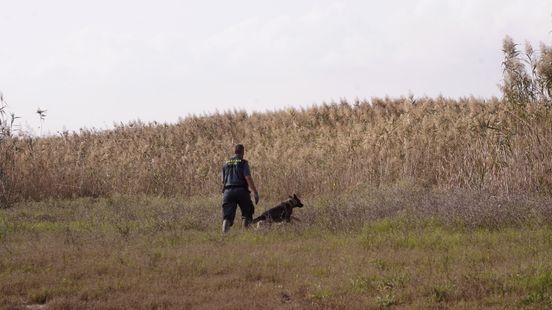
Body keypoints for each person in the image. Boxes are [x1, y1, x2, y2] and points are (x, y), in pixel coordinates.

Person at [221, 144, 259, 233]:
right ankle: (245, 233)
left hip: (228, 191)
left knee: (227, 216)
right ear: (243, 152)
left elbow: (222, 180)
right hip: (241, 190)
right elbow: (248, 177)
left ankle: (224, 236)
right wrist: (255, 192)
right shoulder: (243, 162)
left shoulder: (226, 163)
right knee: (247, 212)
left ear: (235, 151)